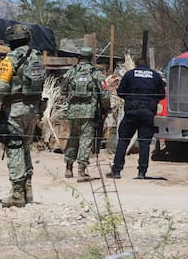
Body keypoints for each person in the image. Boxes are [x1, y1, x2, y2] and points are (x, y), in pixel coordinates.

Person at [0, 23, 46, 208]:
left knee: (14, 147)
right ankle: (28, 189)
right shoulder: (37, 57)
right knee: (25, 147)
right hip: (33, 108)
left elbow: (1, 86)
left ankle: (17, 193)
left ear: (11, 40)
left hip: (15, 108)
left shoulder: (10, 60)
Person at [108, 57, 165, 180]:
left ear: (136, 65)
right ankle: (142, 172)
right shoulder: (155, 76)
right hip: (148, 113)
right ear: (148, 65)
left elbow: (120, 92)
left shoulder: (130, 74)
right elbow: (162, 94)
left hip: (131, 112)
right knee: (145, 143)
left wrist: (131, 98)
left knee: (123, 141)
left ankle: (117, 170)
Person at [60, 48, 109, 180]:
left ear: (79, 57)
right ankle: (81, 171)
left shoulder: (71, 71)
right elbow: (104, 95)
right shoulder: (96, 74)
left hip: (73, 111)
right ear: (91, 58)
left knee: (73, 138)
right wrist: (106, 109)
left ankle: (68, 168)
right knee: (86, 140)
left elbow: (62, 91)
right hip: (89, 112)